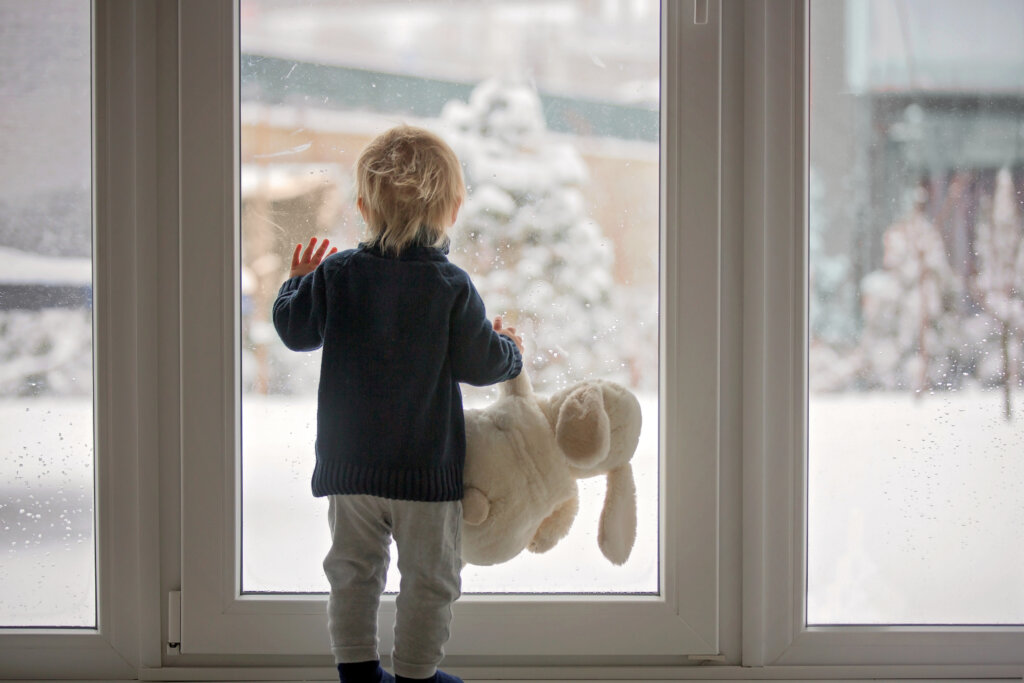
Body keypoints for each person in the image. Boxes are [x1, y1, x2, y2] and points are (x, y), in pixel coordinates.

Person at [272, 125, 524, 683]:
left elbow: (296, 332)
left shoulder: (336, 274)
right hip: (423, 470)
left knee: (353, 571)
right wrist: (510, 352)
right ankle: (416, 675)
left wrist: (296, 283)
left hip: (351, 469)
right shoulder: (451, 287)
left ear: (362, 205)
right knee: (429, 577)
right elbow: (482, 365)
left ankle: (357, 671)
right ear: (454, 209)